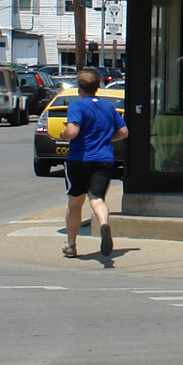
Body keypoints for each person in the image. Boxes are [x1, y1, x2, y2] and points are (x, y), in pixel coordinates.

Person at [63, 68, 126, 259]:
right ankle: (104, 224)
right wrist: (106, 140)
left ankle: (71, 245)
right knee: (97, 198)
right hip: (104, 159)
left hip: (80, 159)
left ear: (79, 88)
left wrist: (63, 134)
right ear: (97, 87)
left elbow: (72, 131)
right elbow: (124, 133)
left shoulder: (77, 106)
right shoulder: (109, 108)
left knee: (75, 202)